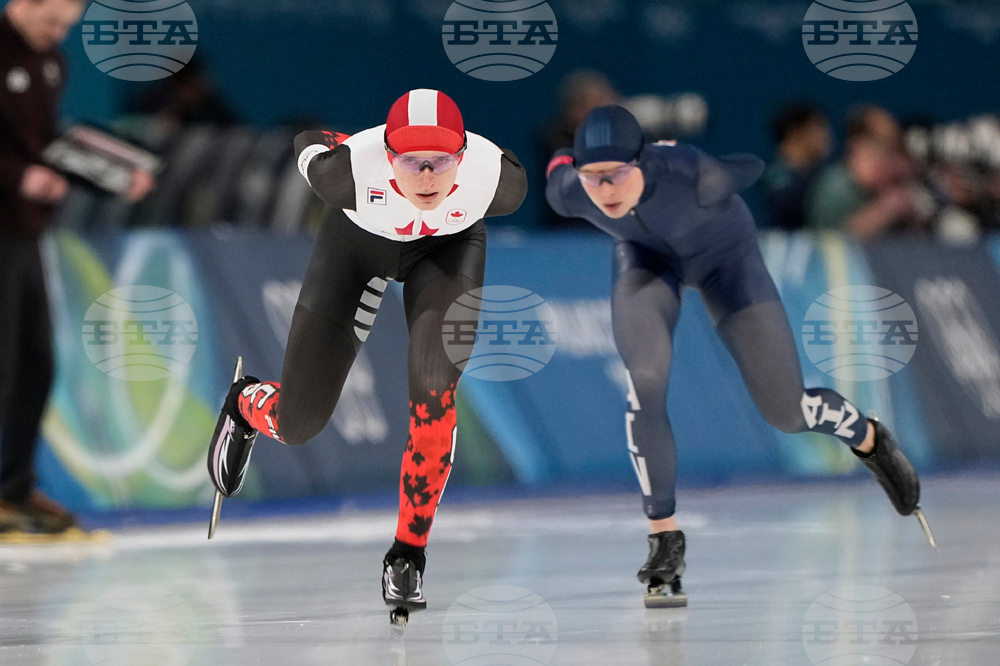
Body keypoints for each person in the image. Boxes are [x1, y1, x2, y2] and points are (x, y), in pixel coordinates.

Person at [545, 106, 922, 607]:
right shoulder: (572, 191)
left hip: (729, 264)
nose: (605, 190)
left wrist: (721, 173)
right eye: (593, 179)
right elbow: (556, 169)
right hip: (647, 261)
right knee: (646, 378)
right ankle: (664, 540)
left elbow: (750, 168)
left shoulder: (685, 173)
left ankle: (868, 437)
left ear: (641, 163)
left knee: (786, 412)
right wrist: (562, 164)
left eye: (616, 175)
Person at [207, 89, 527, 624]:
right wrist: (348, 143)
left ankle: (407, 554)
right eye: (410, 161)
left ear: (464, 157)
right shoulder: (346, 173)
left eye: (441, 162)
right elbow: (308, 139)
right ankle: (247, 404)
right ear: (386, 154)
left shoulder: (498, 181)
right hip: (356, 246)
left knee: (433, 391)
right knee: (298, 423)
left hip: (447, 250)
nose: (427, 178)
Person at [0, 0, 153, 534]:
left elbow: (53, 149)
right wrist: (18, 176)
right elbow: (24, 160)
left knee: (35, 362)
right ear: (23, 3)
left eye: (69, 23)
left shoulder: (51, 63)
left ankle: (14, 489)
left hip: (25, 233)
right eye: (53, 19)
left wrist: (113, 173)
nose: (60, 31)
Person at [806, 105, 931, 238]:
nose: (888, 159)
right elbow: (828, 244)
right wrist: (885, 210)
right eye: (882, 146)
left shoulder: (890, 185)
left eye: (891, 148)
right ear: (857, 143)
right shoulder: (834, 189)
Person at [761, 102, 831, 230]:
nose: (827, 136)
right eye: (819, 127)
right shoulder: (776, 180)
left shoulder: (817, 175)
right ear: (795, 132)